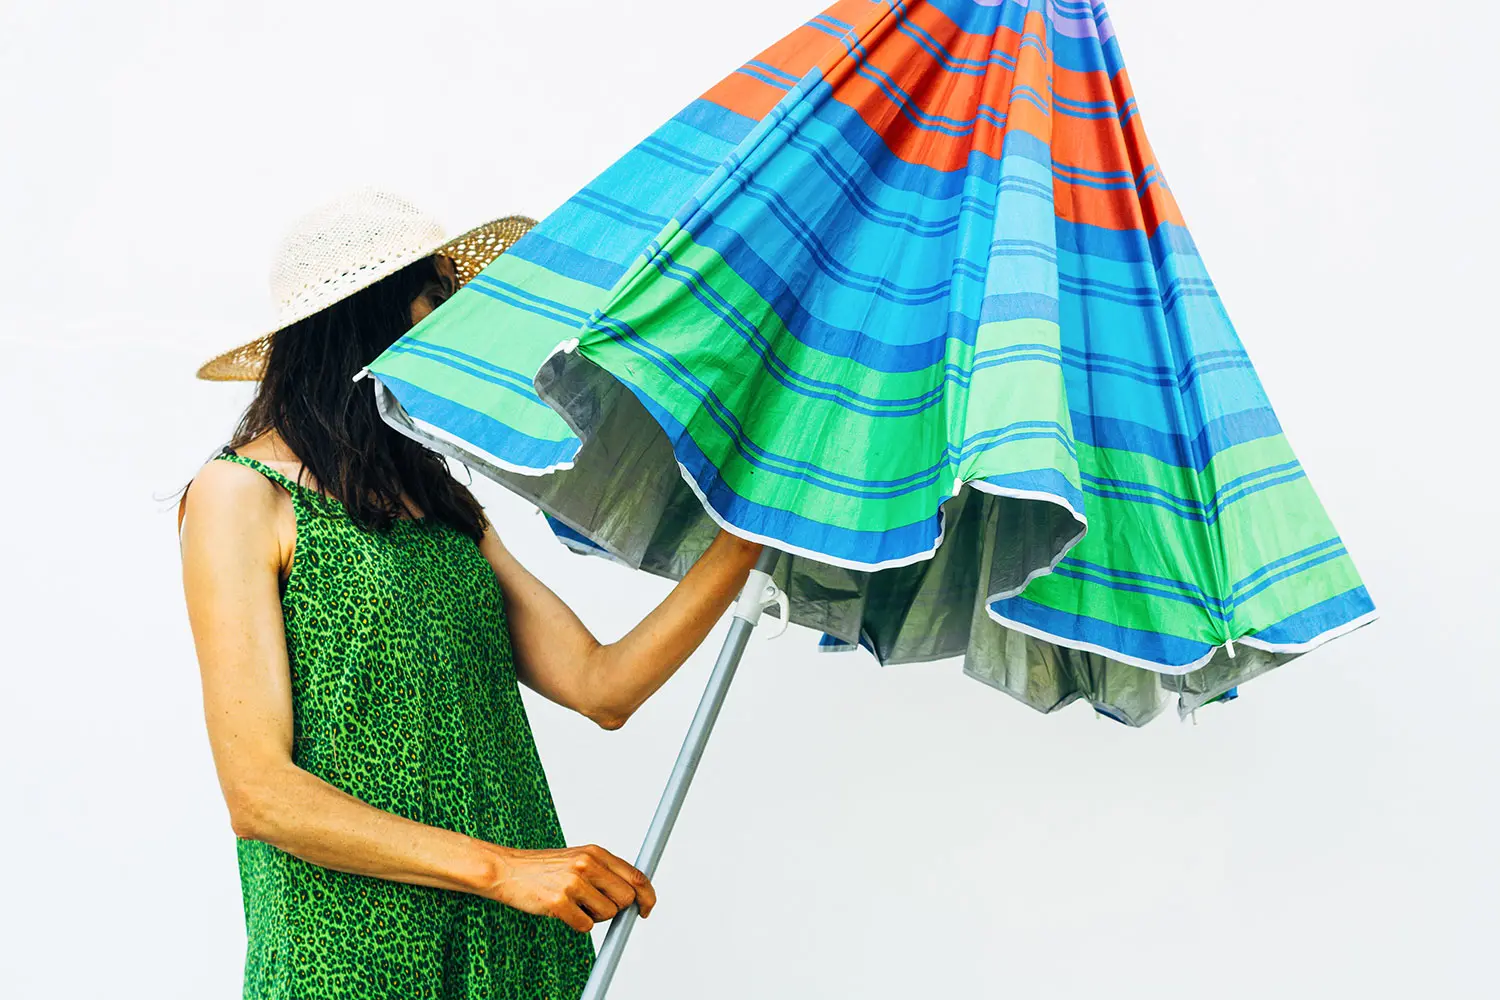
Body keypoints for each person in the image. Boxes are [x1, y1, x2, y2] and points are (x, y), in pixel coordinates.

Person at [178, 190, 764, 999]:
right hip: (354, 962)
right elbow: (260, 795)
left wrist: (745, 536)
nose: (455, 328)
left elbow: (603, 687)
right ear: (373, 320)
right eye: (436, 301)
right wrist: (504, 871)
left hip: (508, 950)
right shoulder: (239, 494)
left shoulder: (438, 499)